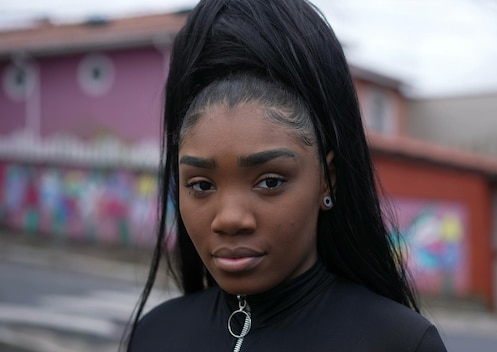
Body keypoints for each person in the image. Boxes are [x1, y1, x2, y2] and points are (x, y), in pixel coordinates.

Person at [125, 0, 447, 351]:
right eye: (201, 185)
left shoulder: (399, 343)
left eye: (270, 181)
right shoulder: (154, 334)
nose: (230, 219)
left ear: (328, 179)